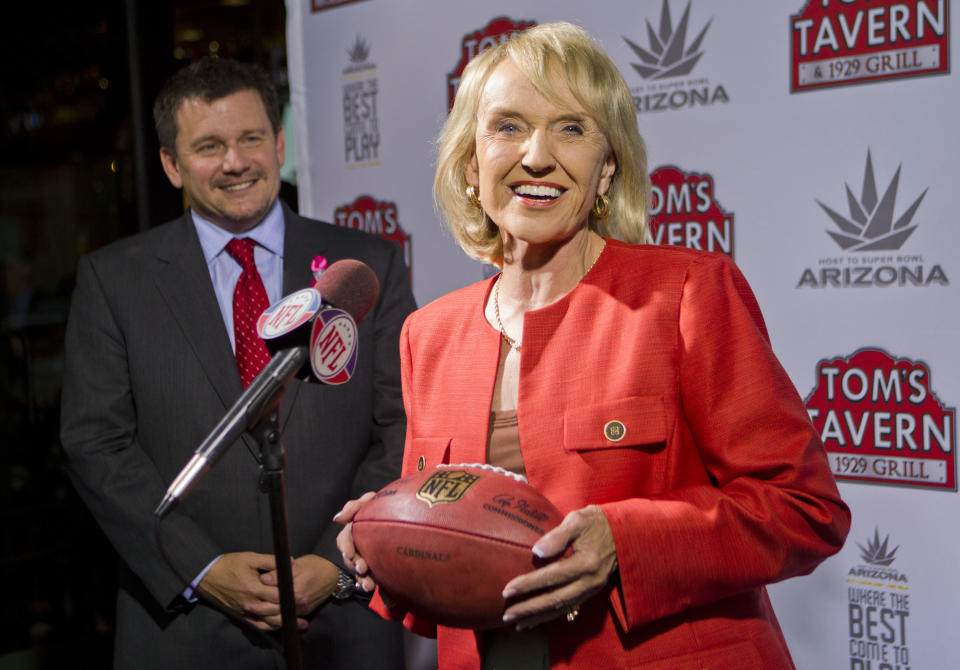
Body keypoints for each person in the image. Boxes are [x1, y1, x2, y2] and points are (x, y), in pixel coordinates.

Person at [336, 22, 850, 669]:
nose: (538, 156)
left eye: (572, 129)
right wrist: (385, 541)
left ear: (607, 168)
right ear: (471, 166)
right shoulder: (429, 335)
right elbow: (447, 554)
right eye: (508, 126)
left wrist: (626, 541)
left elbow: (804, 509)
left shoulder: (689, 293)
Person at [60, 57, 416, 669]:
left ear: (279, 144)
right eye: (208, 146)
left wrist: (332, 560)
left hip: (341, 621)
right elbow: (97, 445)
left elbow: (402, 426)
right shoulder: (114, 281)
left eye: (251, 138)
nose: (235, 162)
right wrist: (203, 566)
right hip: (184, 629)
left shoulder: (364, 269)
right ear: (171, 164)